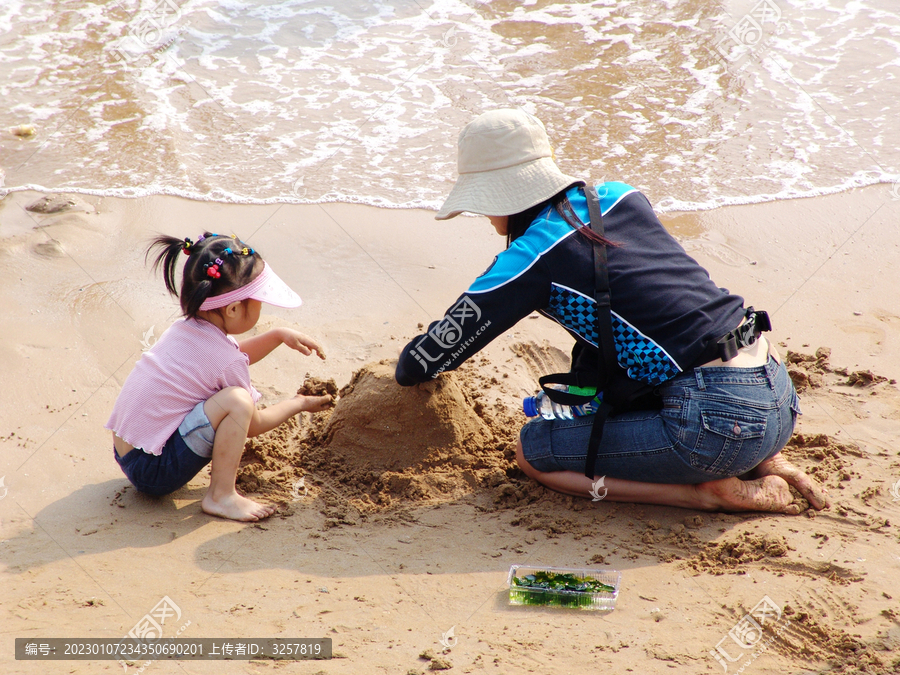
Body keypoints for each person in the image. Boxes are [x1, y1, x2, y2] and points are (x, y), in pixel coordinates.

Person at [395, 109, 828, 514]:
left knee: (532, 452)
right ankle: (767, 460)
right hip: (777, 395)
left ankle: (705, 495)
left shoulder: (528, 258)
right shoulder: (620, 197)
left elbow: (419, 363)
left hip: (712, 427)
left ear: (498, 195)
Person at [106, 232, 332, 522]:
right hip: (154, 473)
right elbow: (251, 423)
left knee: (228, 398)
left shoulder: (184, 329)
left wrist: (277, 335)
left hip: (128, 453)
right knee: (238, 401)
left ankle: (218, 493)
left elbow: (228, 360)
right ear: (235, 308)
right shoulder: (225, 360)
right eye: (259, 300)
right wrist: (299, 403)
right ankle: (221, 496)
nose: (262, 307)